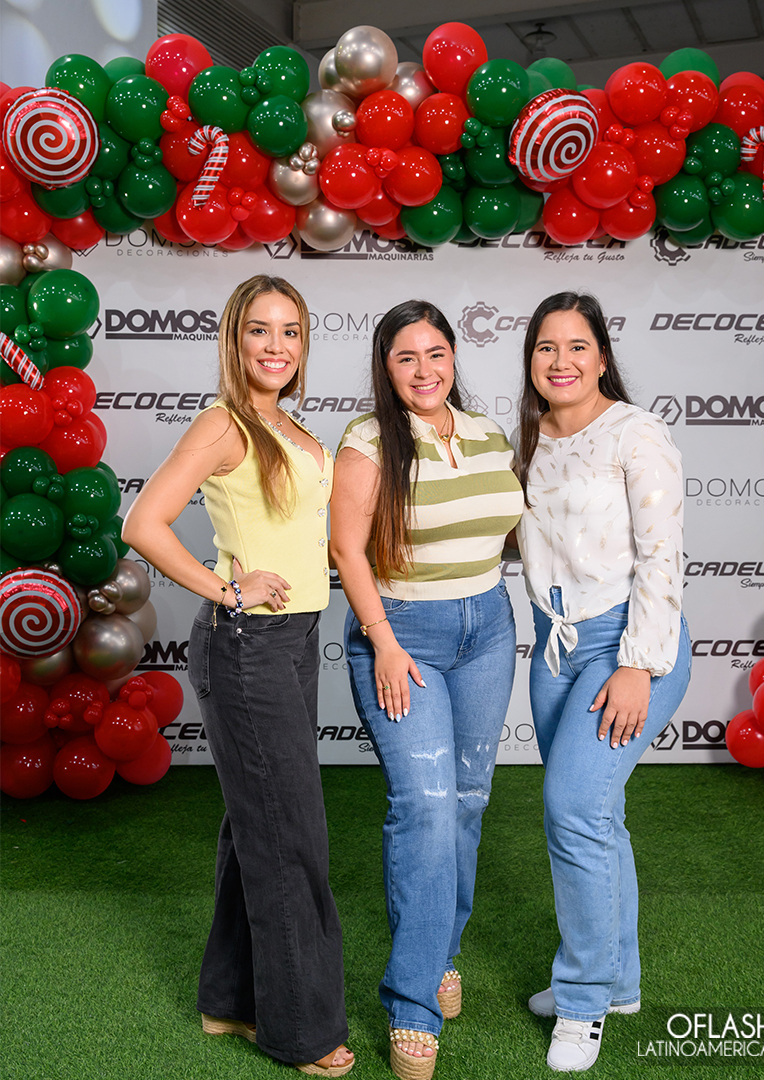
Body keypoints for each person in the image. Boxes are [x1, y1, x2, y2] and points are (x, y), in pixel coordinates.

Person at [122, 274, 354, 1078]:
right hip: (248, 643)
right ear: (235, 338)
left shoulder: (289, 424)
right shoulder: (223, 423)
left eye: (291, 331)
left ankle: (229, 999)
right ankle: (301, 1032)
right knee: (292, 836)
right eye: (260, 329)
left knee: (257, 823)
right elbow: (143, 523)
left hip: (295, 639)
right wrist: (228, 587)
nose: (276, 346)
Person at [330, 300, 524, 1080]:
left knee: (469, 801)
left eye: (435, 353)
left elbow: (512, 529)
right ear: (386, 366)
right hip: (403, 631)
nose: (424, 370)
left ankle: (441, 951)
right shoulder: (369, 441)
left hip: (490, 628)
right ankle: (412, 1005)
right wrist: (382, 640)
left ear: (453, 357)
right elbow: (347, 547)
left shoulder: (487, 434)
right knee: (427, 807)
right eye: (405, 357)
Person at [513, 291, 691, 1073]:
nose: (561, 361)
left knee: (573, 809)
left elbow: (661, 556)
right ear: (530, 360)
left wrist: (636, 663)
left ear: (603, 357)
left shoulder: (635, 432)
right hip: (554, 648)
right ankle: (619, 983)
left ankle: (582, 1002)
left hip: (626, 643)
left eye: (577, 346)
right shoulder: (531, 440)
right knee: (598, 818)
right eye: (546, 347)